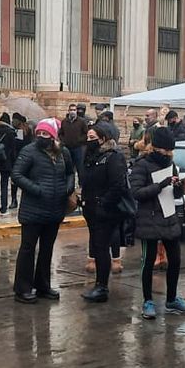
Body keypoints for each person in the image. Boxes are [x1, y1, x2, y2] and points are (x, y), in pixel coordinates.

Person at [11, 118, 75, 304]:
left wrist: (68, 188)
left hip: (55, 209)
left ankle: (43, 285)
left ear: (53, 135)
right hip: (33, 209)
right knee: (28, 249)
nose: (41, 136)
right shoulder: (29, 151)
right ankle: (22, 288)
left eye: (45, 133)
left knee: (47, 249)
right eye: (38, 133)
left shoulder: (63, 152)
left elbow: (70, 172)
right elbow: (17, 174)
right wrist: (36, 189)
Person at [130, 128, 185, 319]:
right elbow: (137, 193)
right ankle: (148, 301)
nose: (167, 154)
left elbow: (176, 195)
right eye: (165, 150)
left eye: (170, 151)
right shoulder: (142, 164)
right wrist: (161, 184)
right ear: (155, 147)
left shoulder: (171, 165)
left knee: (175, 259)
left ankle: (172, 298)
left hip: (168, 216)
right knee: (148, 262)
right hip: (148, 218)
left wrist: (179, 187)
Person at [80, 122, 129, 302]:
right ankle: (99, 284)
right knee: (97, 246)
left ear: (102, 139)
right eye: (88, 137)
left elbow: (118, 186)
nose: (89, 140)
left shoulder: (113, 157)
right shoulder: (91, 157)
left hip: (105, 212)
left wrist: (103, 204)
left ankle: (102, 286)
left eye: (92, 138)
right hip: (91, 209)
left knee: (101, 248)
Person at [0, 112, 18, 214]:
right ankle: (4, 206)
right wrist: (13, 163)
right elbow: (13, 150)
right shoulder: (11, 132)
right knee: (4, 184)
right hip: (6, 161)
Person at [59, 103, 88, 177]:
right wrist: (64, 141)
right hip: (67, 148)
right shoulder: (64, 121)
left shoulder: (81, 121)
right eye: (71, 110)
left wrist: (80, 140)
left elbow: (86, 133)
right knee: (68, 167)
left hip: (78, 148)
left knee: (80, 167)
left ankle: (81, 182)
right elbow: (60, 133)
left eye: (74, 110)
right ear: (68, 111)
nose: (73, 112)